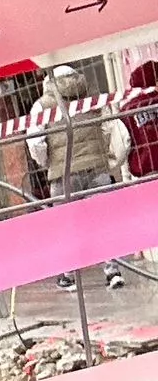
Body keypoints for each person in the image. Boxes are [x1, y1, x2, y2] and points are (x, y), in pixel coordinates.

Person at [28, 63, 129, 288]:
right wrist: (103, 156)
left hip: (63, 176)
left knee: (66, 226)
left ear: (48, 82)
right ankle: (113, 272)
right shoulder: (90, 99)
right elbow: (108, 128)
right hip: (97, 169)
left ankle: (68, 276)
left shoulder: (42, 106)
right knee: (103, 222)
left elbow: (35, 142)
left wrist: (49, 163)